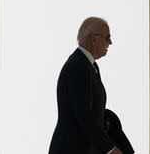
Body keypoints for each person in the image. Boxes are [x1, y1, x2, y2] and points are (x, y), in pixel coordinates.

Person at [49, 17, 132, 154]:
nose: (110, 42)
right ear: (93, 40)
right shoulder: (78, 66)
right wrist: (110, 149)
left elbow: (91, 110)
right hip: (71, 148)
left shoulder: (90, 65)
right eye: (108, 37)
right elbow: (84, 114)